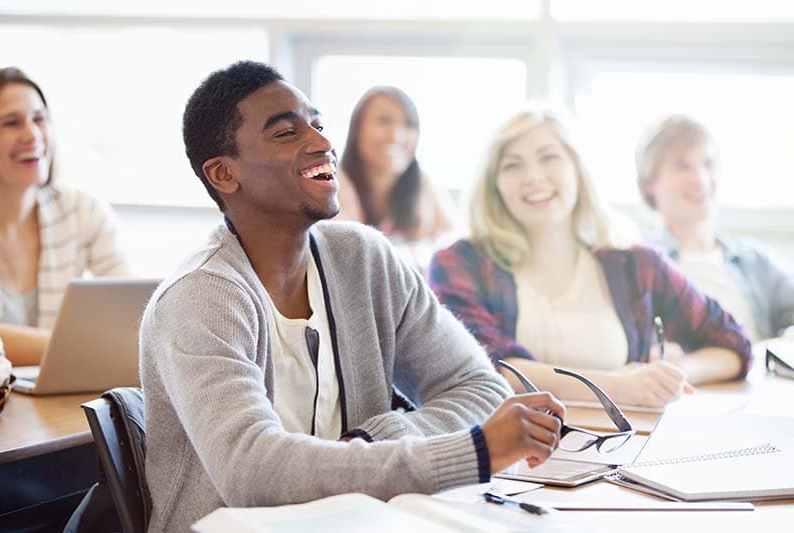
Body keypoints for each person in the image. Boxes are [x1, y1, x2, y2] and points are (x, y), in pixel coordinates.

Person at [140, 61, 565, 532]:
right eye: (286, 133)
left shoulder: (363, 259)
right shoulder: (201, 298)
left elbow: (480, 388)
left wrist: (378, 437)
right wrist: (473, 452)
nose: (322, 142)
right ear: (224, 174)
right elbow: (252, 473)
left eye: (318, 125)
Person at [428, 107, 752, 409]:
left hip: (625, 450)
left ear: (578, 170)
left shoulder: (635, 264)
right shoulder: (459, 263)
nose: (533, 176)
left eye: (549, 157)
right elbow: (487, 369)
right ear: (494, 184)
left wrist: (668, 374)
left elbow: (733, 344)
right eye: (513, 164)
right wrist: (621, 387)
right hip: (510, 462)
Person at [0, 67, 129, 366]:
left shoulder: (82, 211)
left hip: (54, 405)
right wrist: (74, 347)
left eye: (39, 119)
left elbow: (134, 319)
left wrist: (80, 348)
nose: (32, 135)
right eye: (11, 123)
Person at [635, 114, 794, 342]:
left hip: (757, 375)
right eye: (682, 166)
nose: (700, 179)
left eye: (708, 164)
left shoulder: (755, 261)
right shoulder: (640, 265)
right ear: (649, 182)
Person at [334, 86, 455, 272]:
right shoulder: (333, 188)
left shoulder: (424, 186)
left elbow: (455, 247)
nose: (396, 136)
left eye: (408, 124)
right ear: (357, 129)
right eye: (383, 121)